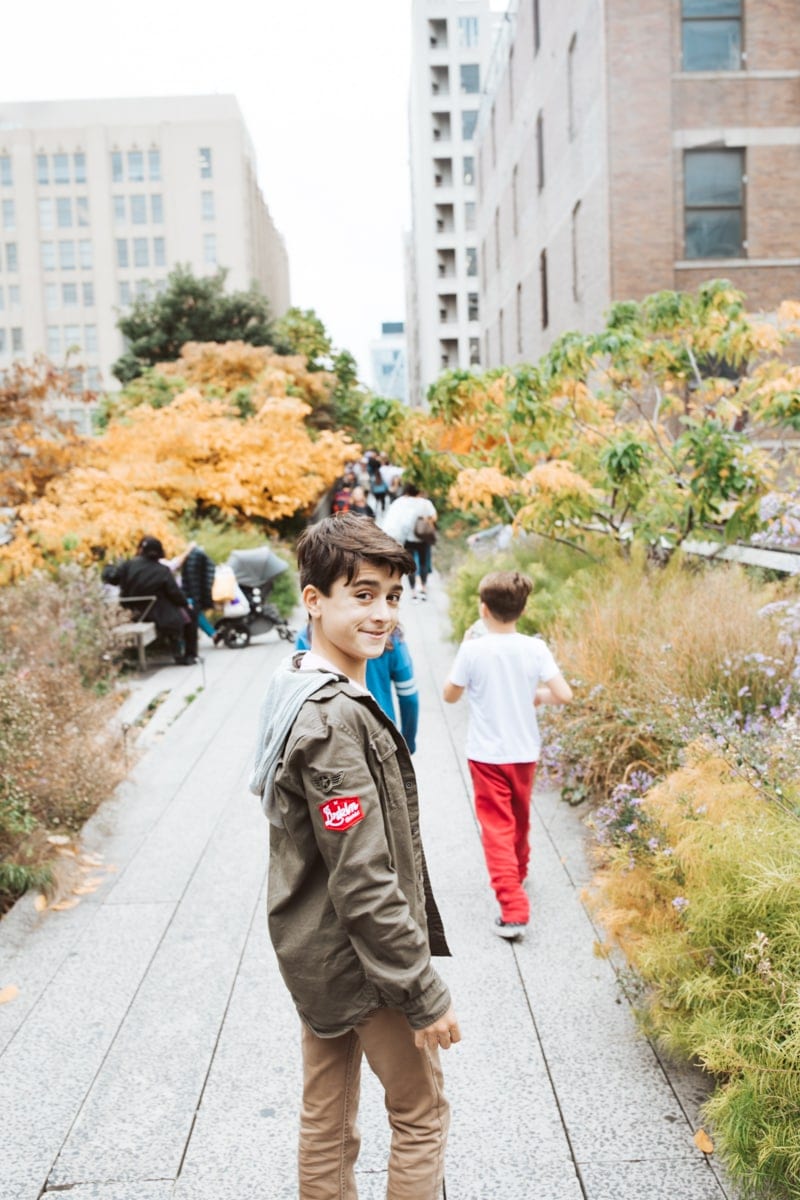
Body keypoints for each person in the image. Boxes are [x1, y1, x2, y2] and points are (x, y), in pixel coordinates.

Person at [250, 513, 459, 1197]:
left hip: (313, 949)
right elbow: (365, 878)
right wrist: (421, 993)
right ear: (314, 600)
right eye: (362, 595)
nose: (383, 614)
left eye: (393, 597)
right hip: (362, 960)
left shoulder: (295, 681)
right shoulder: (334, 719)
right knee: (421, 1113)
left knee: (328, 1113)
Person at [443, 570, 572, 939]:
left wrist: (464, 649)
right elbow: (563, 695)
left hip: (487, 754)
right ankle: (518, 872)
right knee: (519, 815)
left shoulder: (472, 649)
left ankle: (513, 910)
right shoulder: (535, 648)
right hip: (524, 751)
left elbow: (450, 695)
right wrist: (537, 696)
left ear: (483, 609)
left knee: (496, 828)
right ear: (523, 608)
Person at [295, 620, 420, 752]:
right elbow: (409, 698)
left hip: (326, 738)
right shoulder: (390, 636)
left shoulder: (309, 635)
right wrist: (407, 743)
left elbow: (300, 697)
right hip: (380, 737)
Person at [102, 535, 197, 664]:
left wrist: (108, 567)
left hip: (131, 612)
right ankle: (189, 655)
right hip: (158, 615)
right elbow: (175, 594)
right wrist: (185, 603)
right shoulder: (162, 570)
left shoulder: (128, 566)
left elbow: (112, 578)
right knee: (190, 614)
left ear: (141, 550)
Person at [383, 483, 437, 600]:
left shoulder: (400, 502)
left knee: (411, 565)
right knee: (423, 563)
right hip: (423, 538)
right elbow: (434, 517)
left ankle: (413, 591)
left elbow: (392, 520)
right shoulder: (425, 503)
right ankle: (423, 587)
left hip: (407, 539)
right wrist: (424, 518)